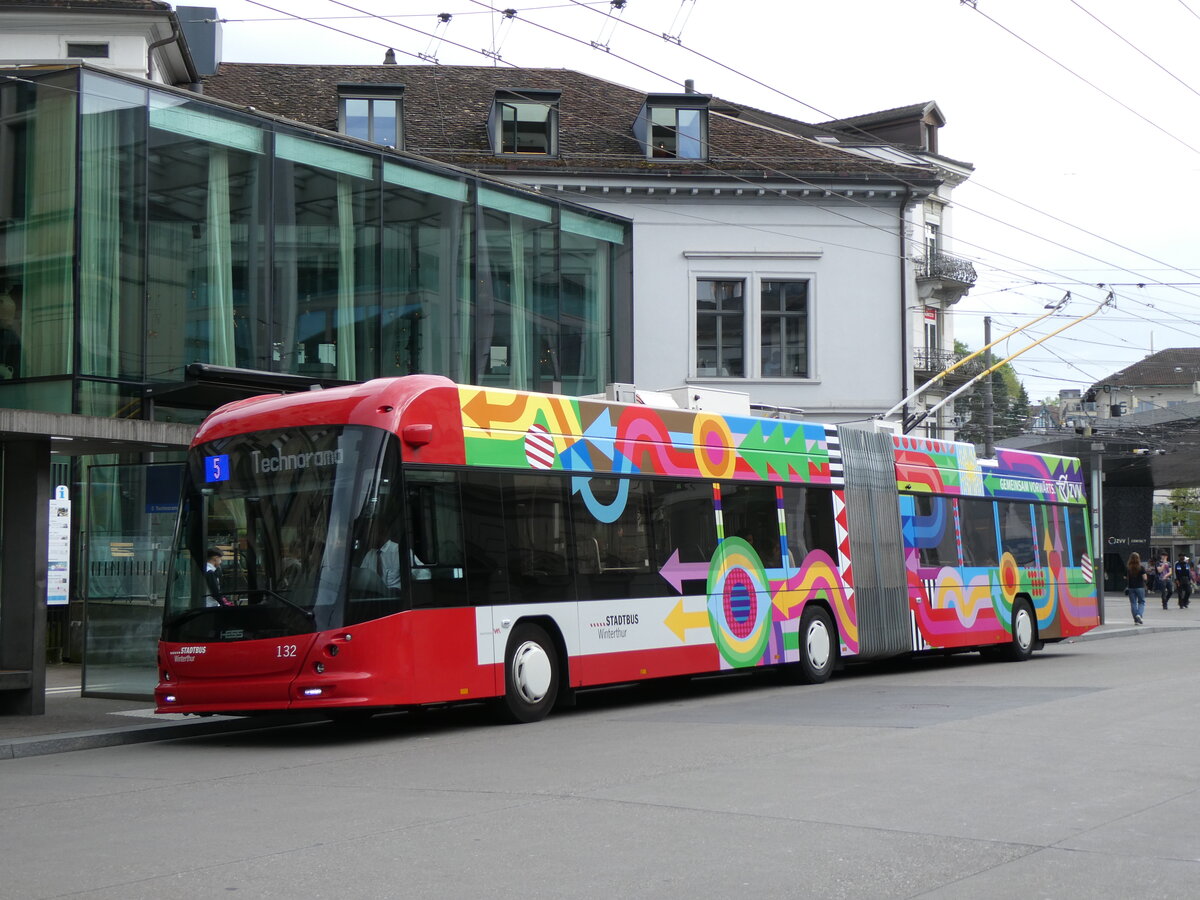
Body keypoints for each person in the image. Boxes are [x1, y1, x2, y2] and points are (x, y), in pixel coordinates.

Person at [1126, 552, 1147, 625]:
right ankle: (1139, 615)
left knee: (1133, 603)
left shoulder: (1128, 568)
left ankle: (1136, 619)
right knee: (1141, 602)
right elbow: (1145, 578)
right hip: (1140, 587)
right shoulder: (1141, 568)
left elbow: (1126, 577)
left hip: (1131, 587)